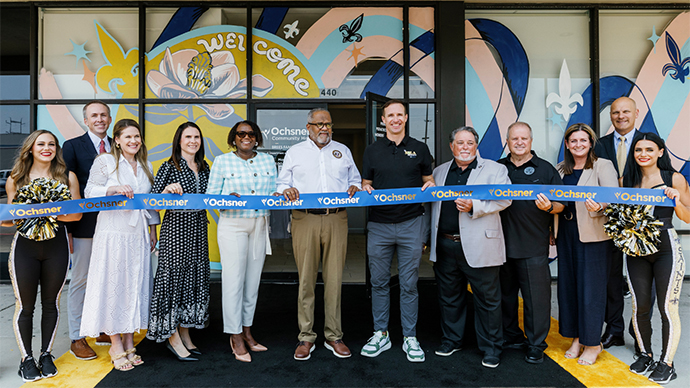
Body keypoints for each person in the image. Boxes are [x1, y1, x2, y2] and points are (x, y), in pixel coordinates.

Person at [277, 108, 361, 361]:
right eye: (319, 124)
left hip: (336, 218)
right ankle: (306, 336)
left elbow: (353, 180)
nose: (324, 128)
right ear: (308, 127)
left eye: (328, 124)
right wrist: (286, 189)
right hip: (305, 218)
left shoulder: (342, 151)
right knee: (306, 280)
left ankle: (334, 335)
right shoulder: (295, 152)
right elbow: (281, 184)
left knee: (335, 279)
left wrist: (355, 186)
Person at [79, 119, 160, 371]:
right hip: (113, 233)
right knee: (114, 284)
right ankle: (115, 342)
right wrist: (112, 188)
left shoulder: (146, 164)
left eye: (137, 137)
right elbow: (89, 191)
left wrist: (153, 228)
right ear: (117, 140)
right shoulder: (105, 162)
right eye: (128, 137)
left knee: (134, 285)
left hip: (138, 235)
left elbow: (150, 201)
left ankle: (128, 338)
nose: (133, 141)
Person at [428, 126, 511, 368]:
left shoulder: (496, 169)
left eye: (470, 143)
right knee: (449, 297)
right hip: (445, 244)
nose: (465, 147)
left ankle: (492, 348)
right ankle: (452, 340)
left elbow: (505, 198)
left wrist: (474, 205)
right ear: (451, 146)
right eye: (460, 143)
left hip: (481, 244)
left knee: (487, 300)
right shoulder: (440, 171)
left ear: (476, 146)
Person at [3, 130, 82, 382]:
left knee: (51, 303)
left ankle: (46, 354)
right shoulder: (16, 178)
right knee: (25, 306)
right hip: (24, 249)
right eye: (41, 144)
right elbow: (7, 221)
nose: (46, 148)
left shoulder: (67, 176)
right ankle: (26, 358)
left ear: (56, 149)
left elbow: (76, 215)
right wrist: (20, 213)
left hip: (56, 247)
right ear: (30, 148)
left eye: (51, 144)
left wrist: (46, 211)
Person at [360, 100, 434, 363]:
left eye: (399, 115)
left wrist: (431, 186)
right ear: (383, 120)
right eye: (390, 115)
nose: (395, 119)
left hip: (411, 223)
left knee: (409, 283)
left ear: (405, 118)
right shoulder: (372, 150)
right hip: (379, 225)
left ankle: (409, 337)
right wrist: (365, 188)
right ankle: (381, 333)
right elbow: (366, 182)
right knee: (379, 282)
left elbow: (429, 180)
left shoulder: (420, 148)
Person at [621, 133, 688, 384]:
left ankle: (666, 363)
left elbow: (687, 216)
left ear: (660, 152)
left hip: (665, 249)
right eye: (638, 150)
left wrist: (676, 200)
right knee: (640, 307)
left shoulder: (674, 178)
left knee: (667, 308)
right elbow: (617, 210)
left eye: (649, 149)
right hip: (635, 249)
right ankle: (645, 354)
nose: (643, 154)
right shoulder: (627, 179)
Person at [207, 120, 276, 363]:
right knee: (233, 282)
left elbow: (274, 192)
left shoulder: (268, 161)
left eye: (250, 133)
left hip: (259, 224)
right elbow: (211, 198)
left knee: (252, 282)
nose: (246, 137)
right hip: (233, 226)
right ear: (233, 138)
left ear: (256, 137)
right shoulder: (222, 161)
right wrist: (226, 198)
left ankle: (247, 330)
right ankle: (234, 335)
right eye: (240, 134)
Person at [497, 122, 564, 364]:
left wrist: (550, 207)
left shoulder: (545, 169)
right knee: (504, 296)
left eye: (524, 138)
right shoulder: (496, 168)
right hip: (500, 246)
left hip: (533, 245)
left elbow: (562, 204)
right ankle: (511, 335)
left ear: (531, 141)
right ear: (508, 141)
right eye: (515, 138)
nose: (519, 142)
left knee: (536, 300)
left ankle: (536, 344)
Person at [146, 122, 210, 362]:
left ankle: (185, 332)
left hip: (198, 233)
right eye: (188, 137)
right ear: (179, 140)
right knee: (173, 281)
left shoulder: (204, 167)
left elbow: (212, 196)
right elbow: (152, 202)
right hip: (175, 233)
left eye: (197, 136)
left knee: (192, 279)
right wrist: (165, 193)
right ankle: (172, 337)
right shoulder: (169, 166)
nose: (193, 141)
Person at [556, 123, 618, 366]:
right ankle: (577, 338)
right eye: (574, 141)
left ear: (591, 143)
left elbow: (615, 198)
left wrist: (601, 205)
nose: (578, 145)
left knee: (591, 291)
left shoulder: (603, 165)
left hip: (593, 235)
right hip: (566, 233)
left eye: (583, 140)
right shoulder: (561, 169)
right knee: (569, 288)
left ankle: (593, 343)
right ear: (567, 145)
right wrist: (553, 230)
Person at [62, 100, 114, 360]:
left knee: (106, 277)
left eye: (104, 114)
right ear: (86, 120)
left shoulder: (119, 145)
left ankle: (102, 328)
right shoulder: (72, 146)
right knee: (81, 280)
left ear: (110, 117)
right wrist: (68, 230)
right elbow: (67, 187)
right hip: (84, 225)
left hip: (114, 224)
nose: (99, 119)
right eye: (94, 115)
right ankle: (77, 336)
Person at [594, 96, 643, 349]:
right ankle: (614, 330)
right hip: (608, 221)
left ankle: (640, 333)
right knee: (612, 279)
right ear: (610, 115)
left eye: (626, 111)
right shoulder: (599, 145)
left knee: (640, 281)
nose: (620, 116)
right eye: (615, 112)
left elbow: (663, 175)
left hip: (641, 223)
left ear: (636, 113)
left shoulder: (648, 142)